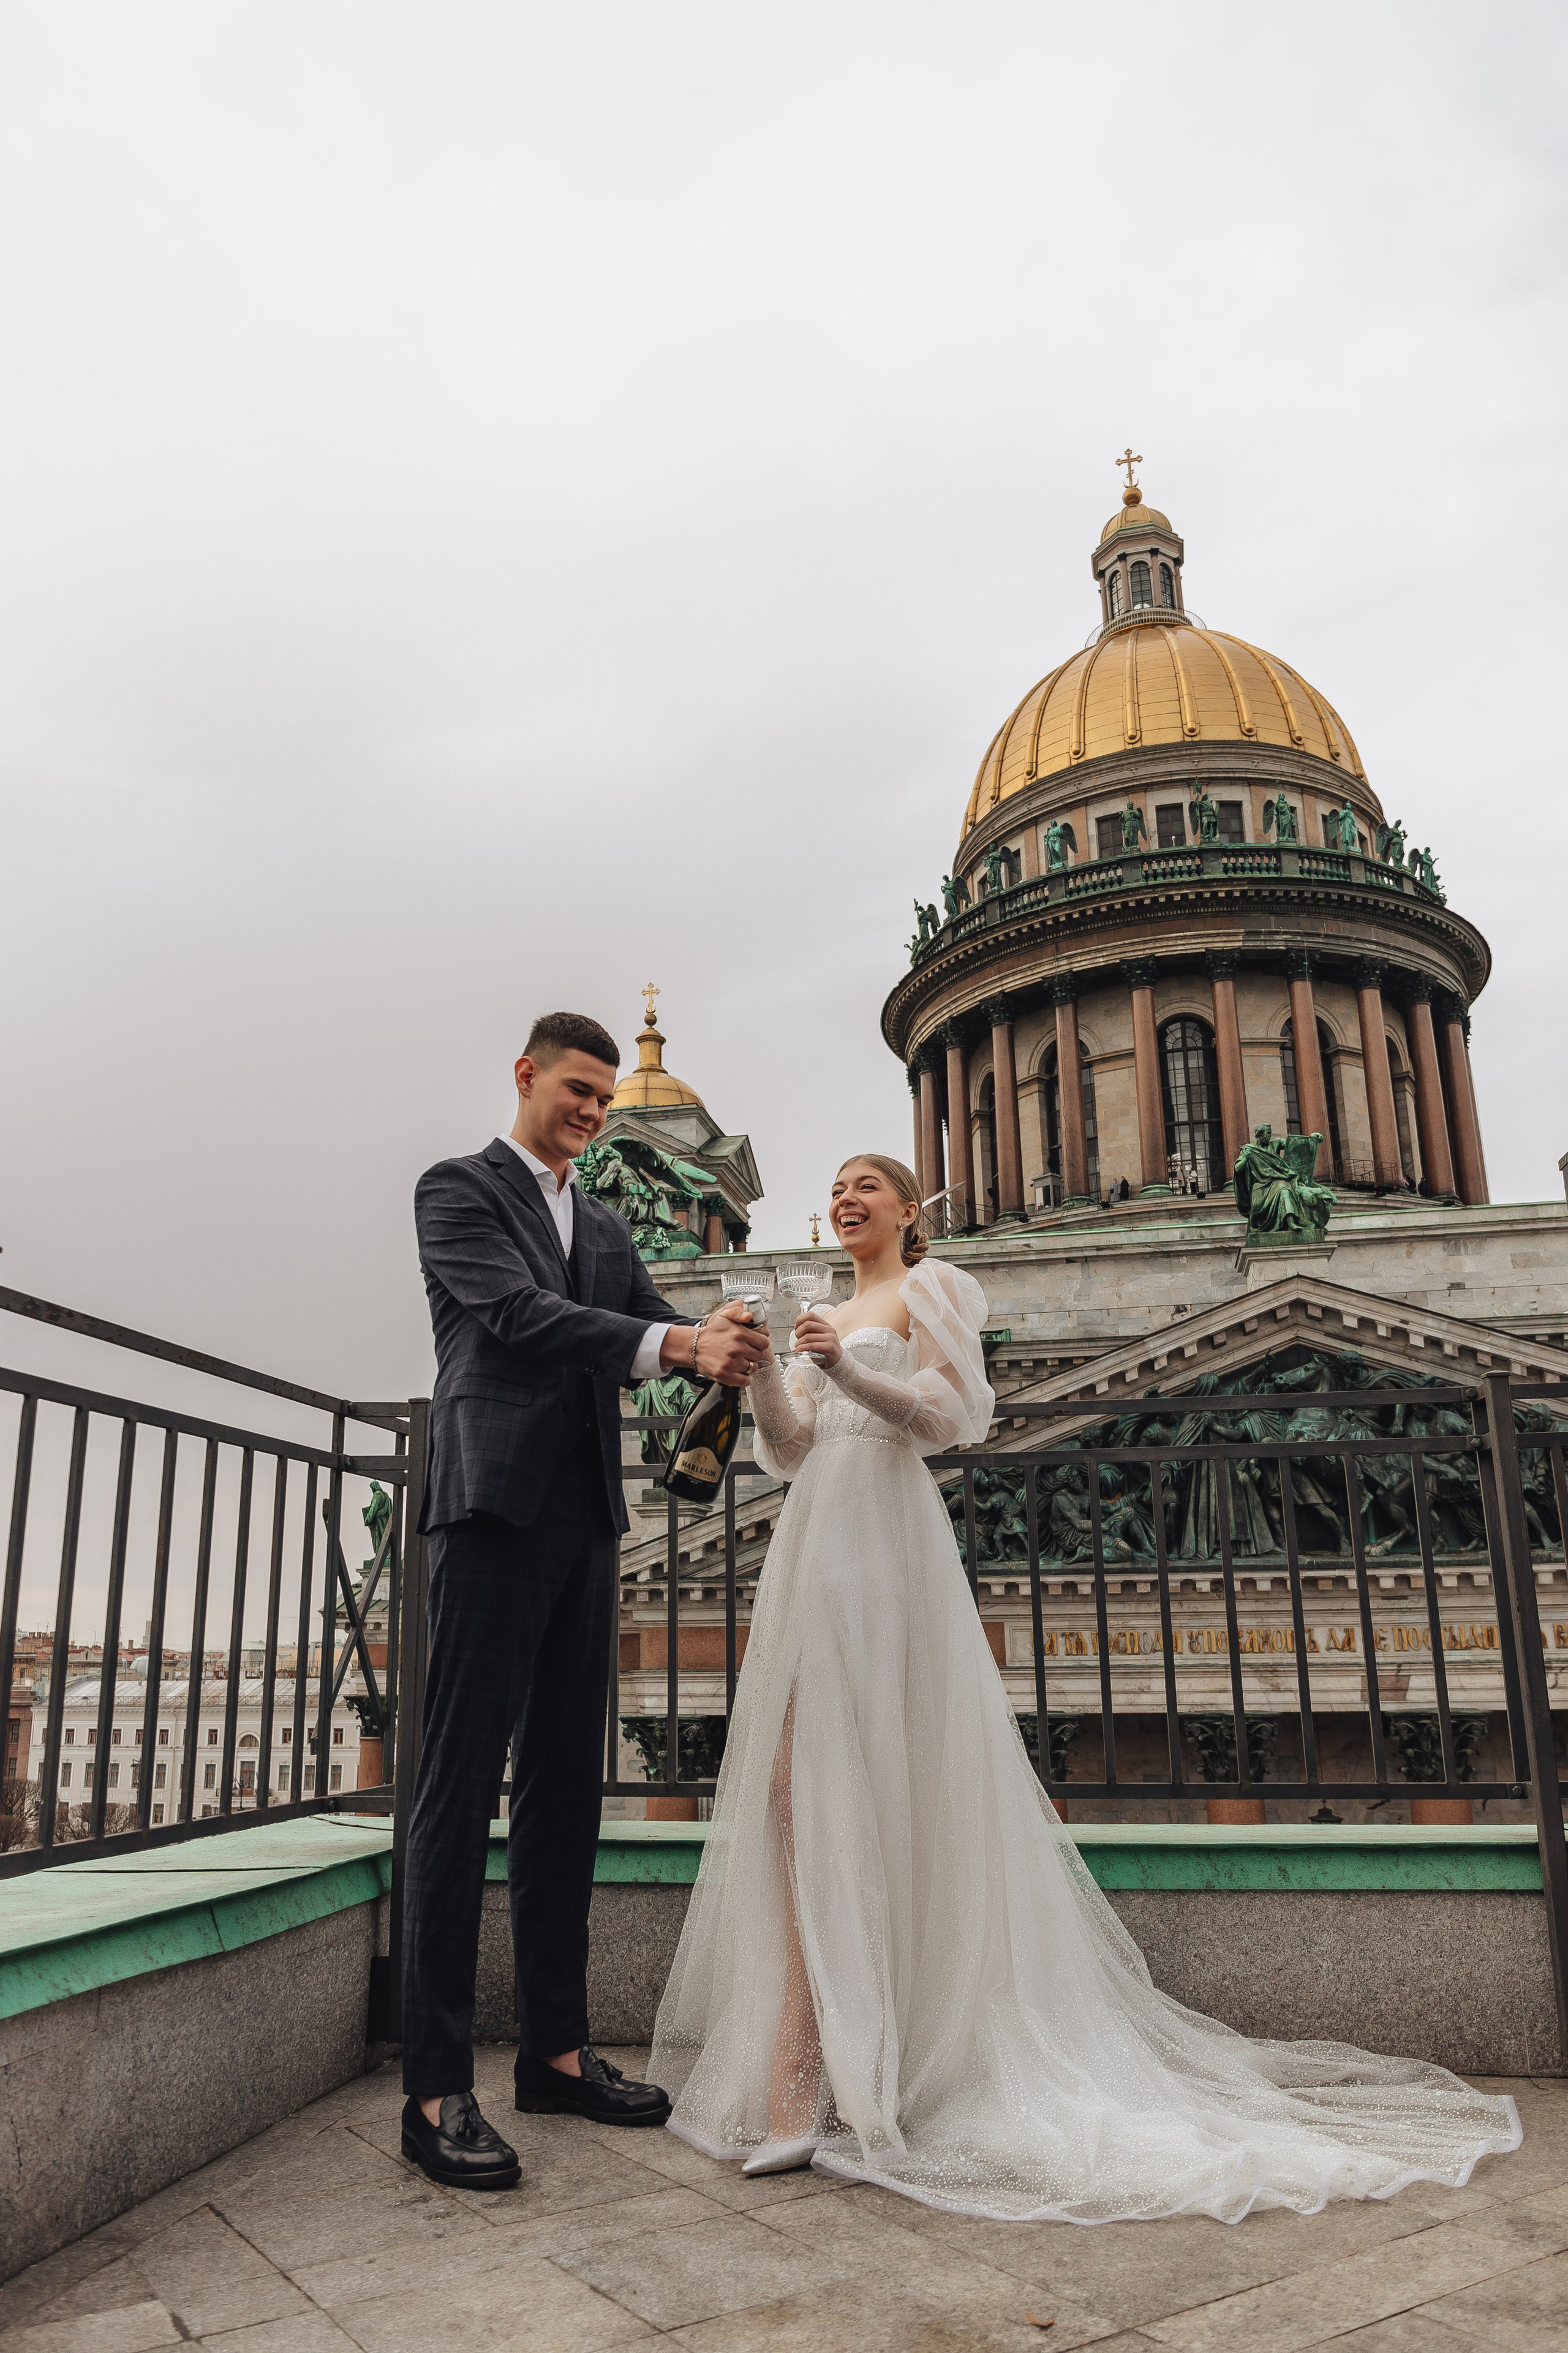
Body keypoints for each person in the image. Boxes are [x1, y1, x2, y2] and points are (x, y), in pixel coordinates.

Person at [649, 1153, 1520, 2221]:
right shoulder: (823, 1309)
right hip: (812, 1542)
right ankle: (806, 2072)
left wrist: (844, 1366)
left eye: (865, 1185)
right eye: (832, 1185)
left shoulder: (936, 1288)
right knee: (794, 1798)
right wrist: (774, 1376)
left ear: (911, 1208)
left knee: (862, 1789)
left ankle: (840, 2082)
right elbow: (788, 1452)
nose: (844, 1199)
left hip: (882, 1548)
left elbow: (953, 1416)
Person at [399, 1010, 768, 2191]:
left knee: (565, 1793)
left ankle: (555, 2052)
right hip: (489, 1510)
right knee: (457, 1795)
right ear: (526, 1075)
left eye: (605, 1098)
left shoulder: (603, 1224)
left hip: (585, 1523)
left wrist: (732, 1337)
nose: (593, 1112)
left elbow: (661, 1325)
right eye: (578, 1089)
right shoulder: (457, 1191)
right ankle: (434, 2084)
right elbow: (519, 1320)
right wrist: (678, 1345)